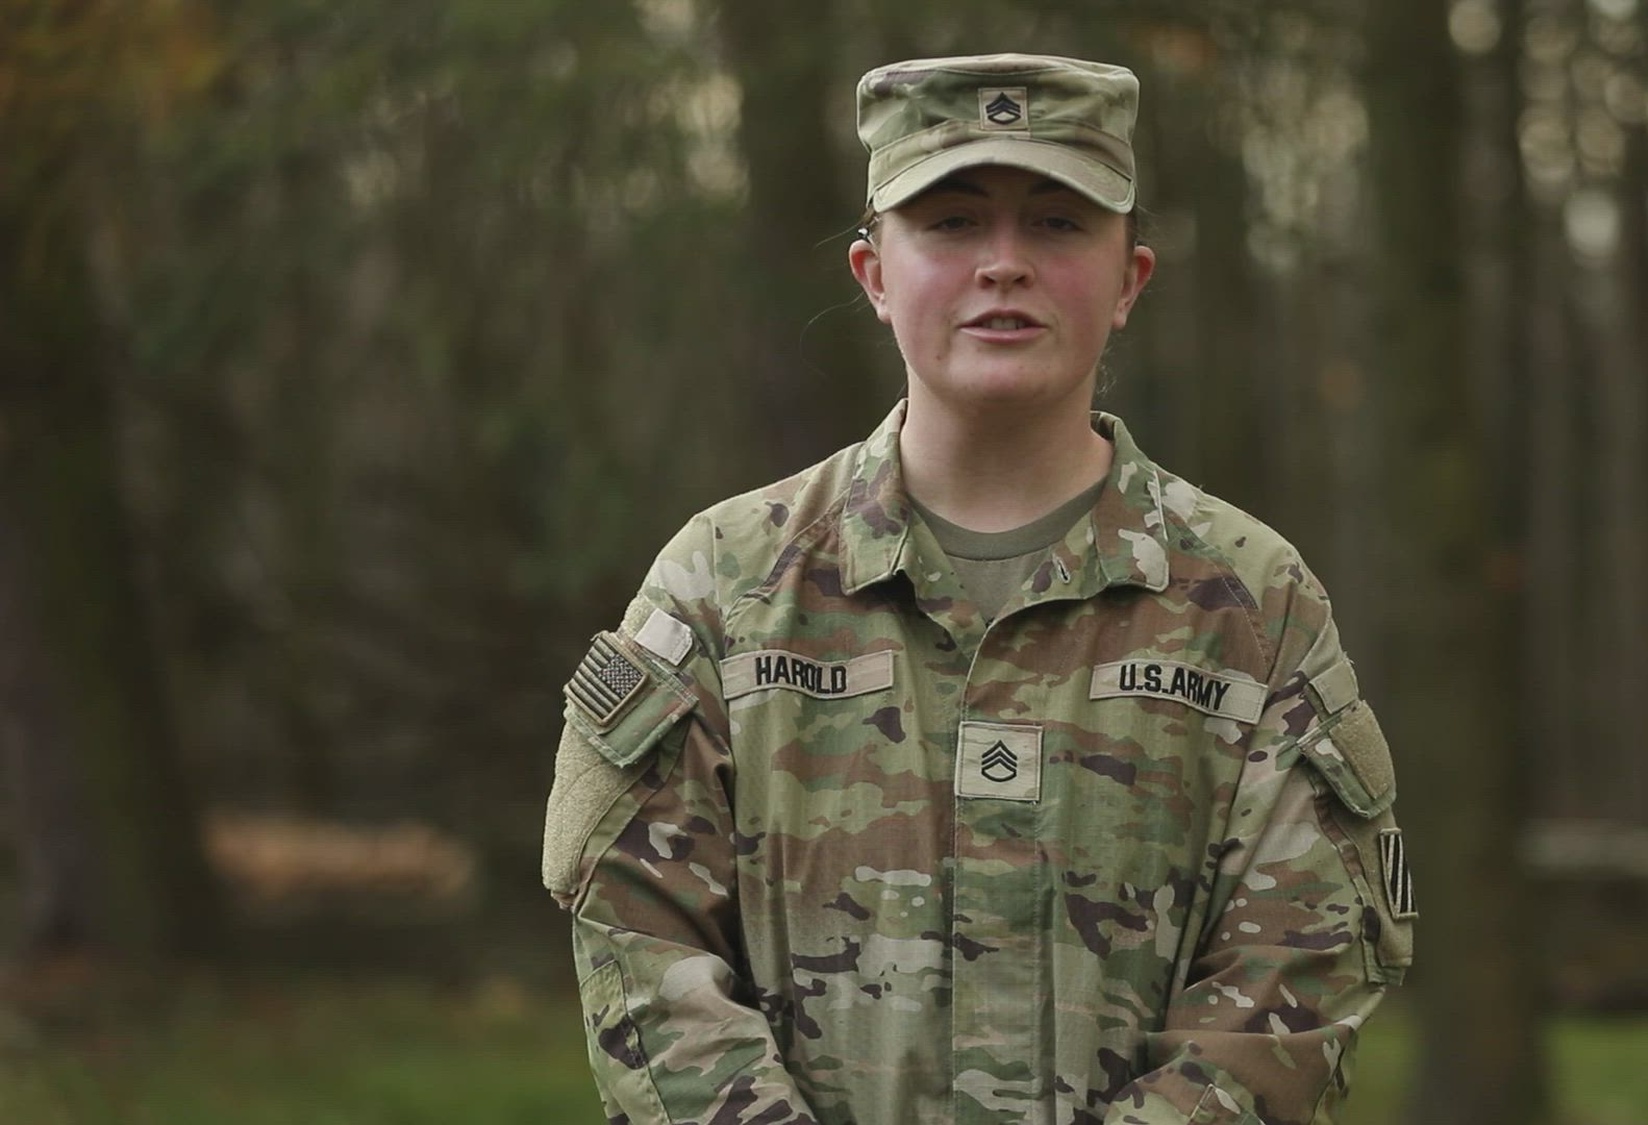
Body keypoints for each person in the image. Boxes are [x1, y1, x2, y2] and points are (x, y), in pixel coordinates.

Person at [540, 52, 1415, 1125]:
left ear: (1129, 278)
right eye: (951, 223)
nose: (1003, 264)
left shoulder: (1250, 603)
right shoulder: (722, 587)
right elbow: (641, 947)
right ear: (871, 275)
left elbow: (1300, 967)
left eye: (1056, 224)